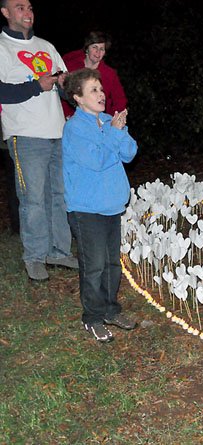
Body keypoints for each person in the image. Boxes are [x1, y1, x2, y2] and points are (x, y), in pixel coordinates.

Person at [0, 0, 78, 281]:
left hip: (57, 132)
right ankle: (34, 256)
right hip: (25, 135)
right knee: (32, 199)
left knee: (59, 196)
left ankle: (58, 251)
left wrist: (66, 84)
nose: (27, 12)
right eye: (19, 7)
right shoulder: (2, 48)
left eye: (30, 7)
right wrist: (37, 85)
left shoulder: (46, 46)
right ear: (5, 13)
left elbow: (66, 90)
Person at [62, 68, 137, 342]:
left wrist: (118, 130)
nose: (101, 94)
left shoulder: (108, 121)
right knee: (93, 266)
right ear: (77, 98)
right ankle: (92, 317)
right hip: (86, 210)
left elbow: (129, 153)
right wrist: (113, 135)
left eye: (101, 88)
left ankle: (109, 310)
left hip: (110, 206)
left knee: (111, 264)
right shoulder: (74, 129)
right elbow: (97, 160)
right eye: (93, 90)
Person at [0, 78, 49, 234]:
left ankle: (21, 227)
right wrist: (36, 86)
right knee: (22, 187)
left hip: (23, 133)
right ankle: (19, 227)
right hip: (14, 135)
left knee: (24, 185)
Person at [61, 31, 127, 118]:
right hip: (66, 117)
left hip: (95, 121)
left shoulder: (109, 74)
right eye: (94, 47)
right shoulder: (70, 65)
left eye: (102, 49)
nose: (98, 52)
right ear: (87, 49)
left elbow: (120, 100)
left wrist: (111, 120)